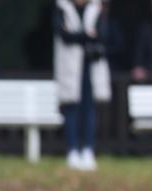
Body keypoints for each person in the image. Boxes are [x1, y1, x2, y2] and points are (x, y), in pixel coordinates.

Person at [53, 0, 111, 171]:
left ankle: (88, 150)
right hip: (70, 68)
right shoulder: (62, 7)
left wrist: (77, 35)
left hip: (90, 68)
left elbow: (102, 35)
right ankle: (72, 150)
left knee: (89, 110)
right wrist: (87, 35)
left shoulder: (96, 7)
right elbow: (62, 34)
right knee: (71, 109)